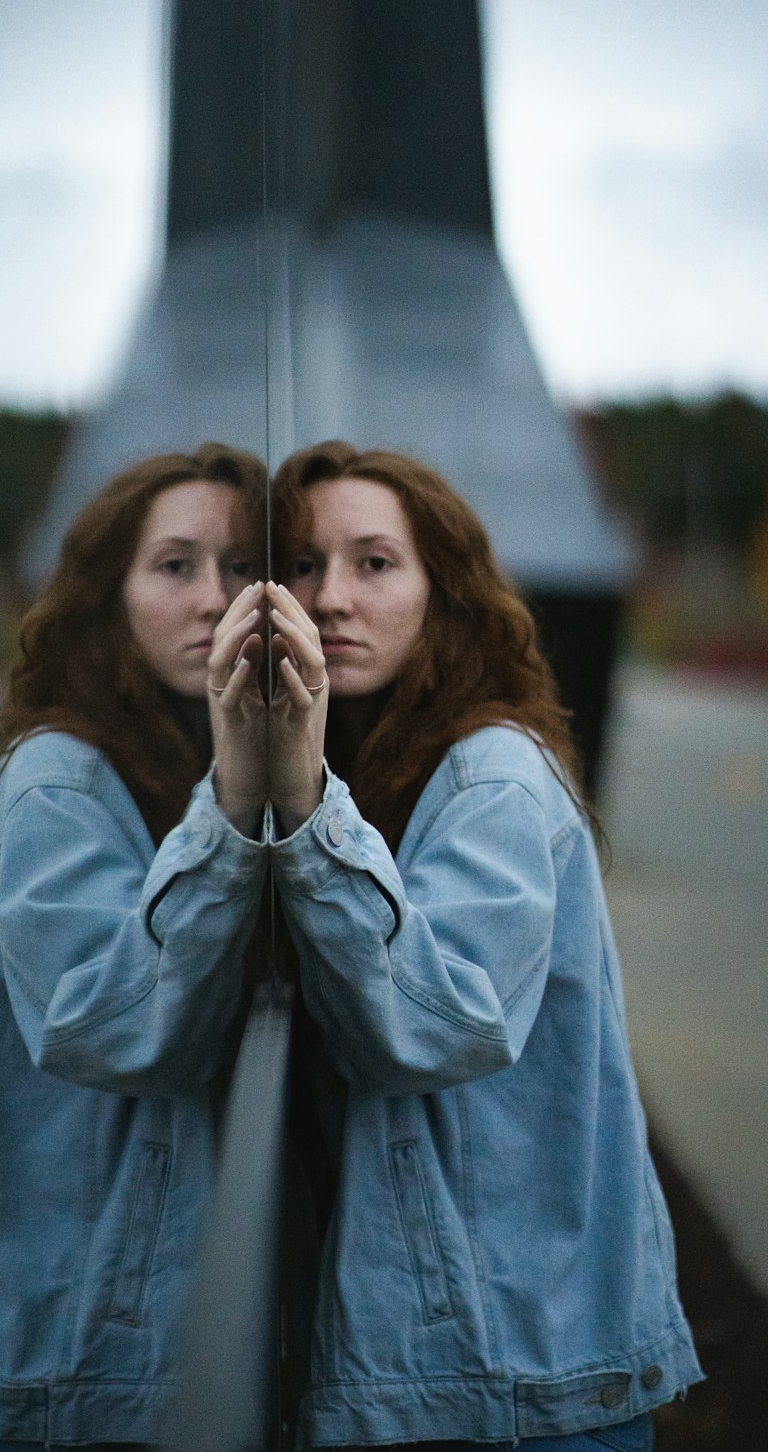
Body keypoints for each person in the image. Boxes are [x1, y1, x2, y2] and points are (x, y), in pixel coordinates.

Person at [214, 441, 703, 1450]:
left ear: (444, 592)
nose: (332, 596)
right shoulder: (382, 764)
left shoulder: (490, 779)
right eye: (303, 564)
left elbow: (430, 1030)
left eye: (375, 562)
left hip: (519, 1384)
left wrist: (304, 809)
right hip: (472, 1367)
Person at [0, 444, 272, 1450]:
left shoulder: (167, 760)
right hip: (41, 1366)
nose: (214, 598)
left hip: (89, 1350)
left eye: (238, 567)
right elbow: (114, 1026)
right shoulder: (60, 783)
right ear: (109, 598)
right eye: (174, 566)